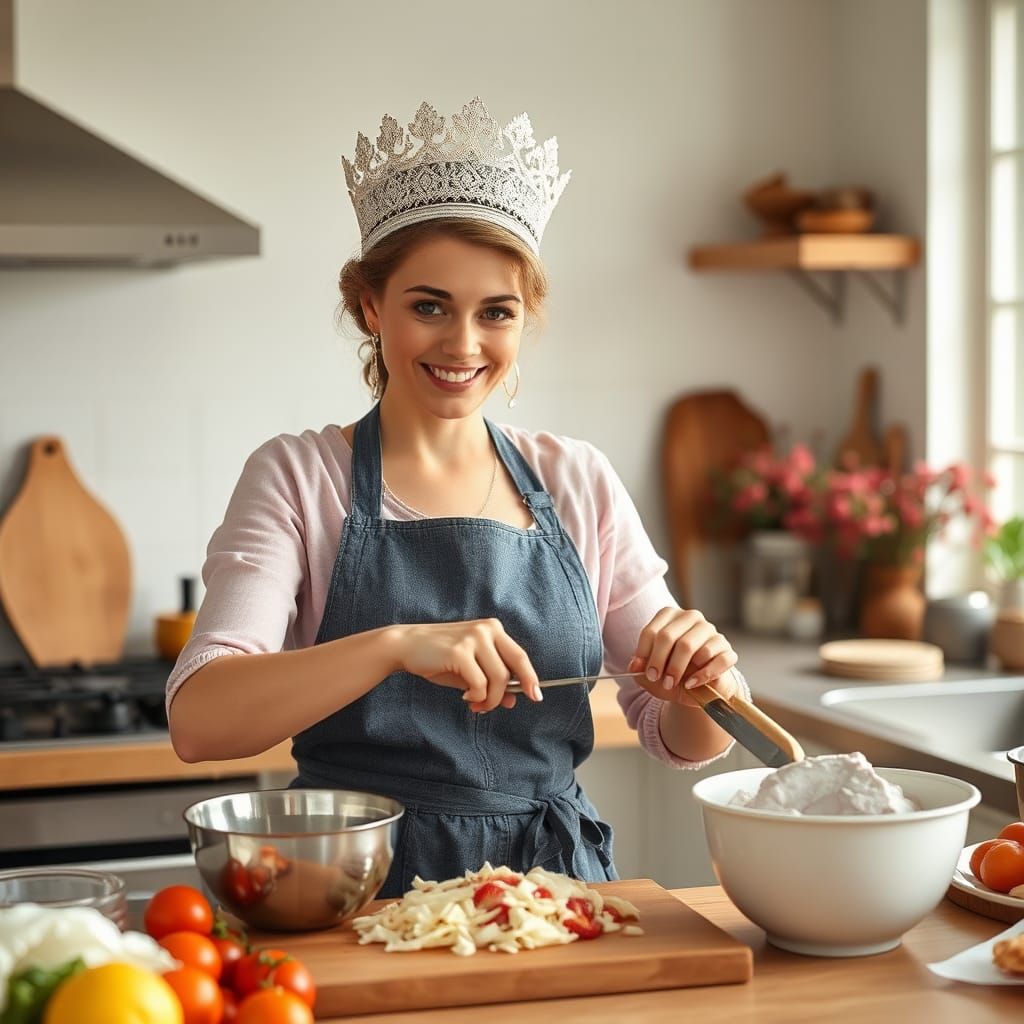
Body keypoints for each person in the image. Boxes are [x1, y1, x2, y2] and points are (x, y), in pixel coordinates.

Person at [166, 98, 744, 898]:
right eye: (428, 305)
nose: (463, 345)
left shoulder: (577, 480)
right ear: (371, 307)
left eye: (495, 312)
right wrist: (396, 644)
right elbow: (199, 721)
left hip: (556, 897)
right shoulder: (299, 477)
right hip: (361, 892)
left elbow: (678, 734)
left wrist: (700, 681)